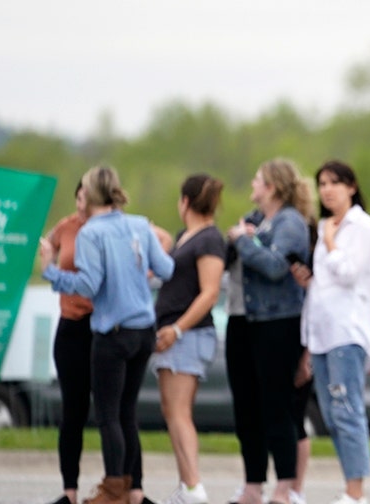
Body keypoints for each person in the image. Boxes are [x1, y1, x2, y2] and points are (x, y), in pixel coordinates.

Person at [43, 166, 175, 504]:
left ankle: (114, 490)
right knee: (126, 412)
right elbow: (166, 269)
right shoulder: (139, 224)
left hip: (112, 332)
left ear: (90, 195)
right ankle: (130, 488)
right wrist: (136, 273)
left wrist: (51, 272)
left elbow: (88, 285)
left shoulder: (91, 232)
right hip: (143, 329)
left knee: (107, 415)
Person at [225, 160, 311, 504]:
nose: (253, 183)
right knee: (245, 407)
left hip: (277, 323)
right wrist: (238, 240)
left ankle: (284, 487)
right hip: (242, 321)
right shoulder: (255, 219)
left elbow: (276, 267)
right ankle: (252, 485)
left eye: (258, 179)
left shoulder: (290, 222)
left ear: (272, 187)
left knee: (276, 406)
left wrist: (244, 242)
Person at [304, 161, 370, 504]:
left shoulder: (363, 227)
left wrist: (332, 244)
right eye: (322, 183)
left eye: (334, 182)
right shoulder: (324, 227)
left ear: (351, 186)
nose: (327, 189)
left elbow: (349, 275)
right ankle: (349, 487)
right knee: (332, 415)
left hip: (347, 334)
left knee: (348, 411)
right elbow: (322, 286)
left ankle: (356, 493)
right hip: (321, 335)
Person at [153, 175, 225, 504]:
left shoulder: (209, 239)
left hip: (189, 335)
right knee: (172, 411)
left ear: (185, 201)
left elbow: (209, 293)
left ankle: (194, 486)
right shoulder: (185, 236)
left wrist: (177, 328)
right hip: (173, 333)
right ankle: (186, 487)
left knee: (180, 412)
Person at [39, 183, 93, 504]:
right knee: (72, 412)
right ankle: (69, 491)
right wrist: (47, 256)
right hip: (71, 325)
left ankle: (126, 486)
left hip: (102, 327)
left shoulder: (110, 227)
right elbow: (47, 250)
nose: (83, 201)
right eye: (79, 195)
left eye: (88, 195)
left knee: (113, 413)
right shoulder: (67, 226)